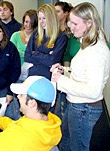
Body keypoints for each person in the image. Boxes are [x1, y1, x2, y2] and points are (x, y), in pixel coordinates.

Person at [50, 2, 110, 151]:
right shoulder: (87, 43)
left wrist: (61, 80)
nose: (70, 26)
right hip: (78, 106)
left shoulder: (97, 51)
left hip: (84, 109)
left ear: (89, 23)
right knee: (66, 144)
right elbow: (83, 73)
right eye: (70, 21)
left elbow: (93, 91)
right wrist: (64, 71)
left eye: (75, 23)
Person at [0, 76, 62, 151]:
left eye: (22, 95)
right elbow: (17, 125)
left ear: (32, 103)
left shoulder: (17, 138)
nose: (18, 96)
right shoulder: (48, 125)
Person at [24, 4, 68, 80]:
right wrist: (47, 57)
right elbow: (27, 56)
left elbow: (53, 60)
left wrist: (35, 53)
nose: (41, 22)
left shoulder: (61, 37)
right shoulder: (36, 33)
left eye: (44, 18)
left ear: (52, 18)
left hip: (49, 78)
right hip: (32, 76)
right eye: (40, 18)